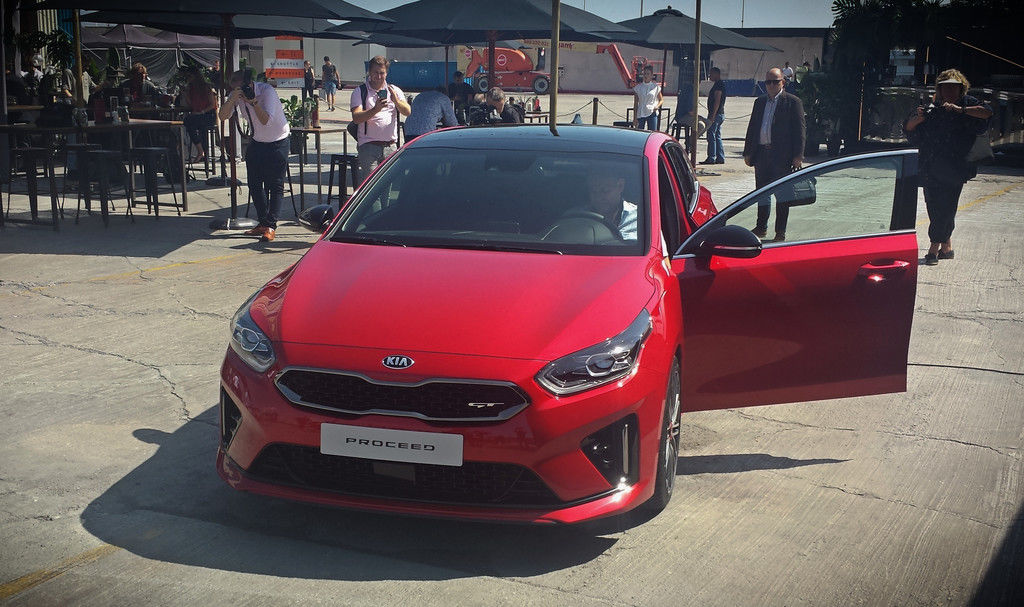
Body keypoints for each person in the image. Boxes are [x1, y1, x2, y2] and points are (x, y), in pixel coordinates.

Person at [904, 68, 992, 265]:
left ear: (961, 89)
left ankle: (933, 247)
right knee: (934, 206)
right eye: (945, 87)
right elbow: (908, 128)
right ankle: (947, 247)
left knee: (947, 206)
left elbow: (987, 113)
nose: (949, 91)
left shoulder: (968, 103)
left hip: (955, 166)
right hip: (929, 165)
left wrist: (960, 110)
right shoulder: (932, 107)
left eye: (954, 87)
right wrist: (919, 118)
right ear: (939, 89)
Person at [219, 69, 290, 242]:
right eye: (236, 88)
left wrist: (253, 102)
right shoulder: (235, 95)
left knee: (275, 185)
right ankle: (262, 222)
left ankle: (271, 226)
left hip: (278, 141)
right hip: (258, 141)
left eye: (243, 88)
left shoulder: (266, 91)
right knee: (254, 183)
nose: (242, 91)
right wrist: (232, 99)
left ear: (250, 84)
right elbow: (222, 116)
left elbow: (265, 120)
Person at [742, 67, 806, 242]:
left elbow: (800, 130)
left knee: (782, 195)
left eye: (775, 82)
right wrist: (748, 152)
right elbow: (752, 128)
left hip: (782, 156)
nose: (771, 85)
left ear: (782, 83)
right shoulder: (760, 102)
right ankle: (761, 227)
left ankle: (780, 231)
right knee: (762, 192)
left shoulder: (793, 102)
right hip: (761, 154)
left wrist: (798, 155)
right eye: (768, 82)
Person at [350, 56, 410, 181]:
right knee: (371, 183)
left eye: (382, 73)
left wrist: (396, 101)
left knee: (388, 185)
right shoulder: (360, 91)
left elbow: (407, 112)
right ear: (369, 72)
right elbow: (356, 118)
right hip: (368, 146)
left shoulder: (394, 90)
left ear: (386, 73)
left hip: (390, 146)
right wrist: (375, 109)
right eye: (375, 72)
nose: (378, 76)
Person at [181, 67, 218, 162]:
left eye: (190, 76)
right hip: (198, 115)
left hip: (208, 115)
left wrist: (202, 112)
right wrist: (185, 94)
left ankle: (201, 151)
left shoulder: (206, 87)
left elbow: (212, 104)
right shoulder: (191, 88)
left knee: (189, 121)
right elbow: (191, 105)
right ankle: (201, 150)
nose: (188, 78)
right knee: (189, 122)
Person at [701, 67, 726, 164]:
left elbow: (717, 101)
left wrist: (712, 115)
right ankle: (720, 157)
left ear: (716, 74)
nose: (709, 76)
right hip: (719, 114)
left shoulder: (719, 85)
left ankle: (711, 157)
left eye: (711, 74)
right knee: (717, 135)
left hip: (716, 114)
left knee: (711, 135)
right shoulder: (718, 84)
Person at [632, 65, 663, 131]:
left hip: (652, 111)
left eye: (648, 74)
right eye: (644, 74)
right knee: (639, 132)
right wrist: (635, 118)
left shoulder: (655, 87)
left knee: (652, 132)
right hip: (641, 112)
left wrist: (657, 106)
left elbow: (661, 100)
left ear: (651, 75)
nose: (646, 76)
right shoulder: (638, 88)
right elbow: (635, 104)